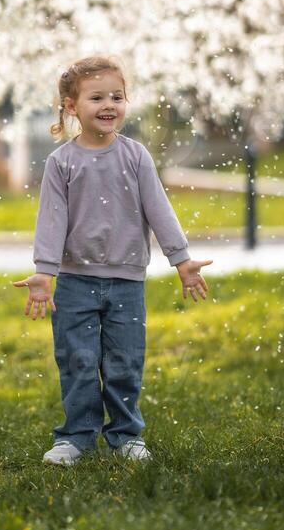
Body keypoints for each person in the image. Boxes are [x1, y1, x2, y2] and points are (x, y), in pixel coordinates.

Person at [12, 54, 213, 466]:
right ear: (71, 107)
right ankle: (76, 436)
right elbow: (52, 219)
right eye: (96, 98)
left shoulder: (135, 156)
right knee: (78, 362)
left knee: (124, 362)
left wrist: (182, 260)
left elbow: (159, 209)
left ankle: (125, 436)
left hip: (126, 282)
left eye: (117, 97)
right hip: (73, 282)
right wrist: (44, 272)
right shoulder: (61, 163)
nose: (109, 105)